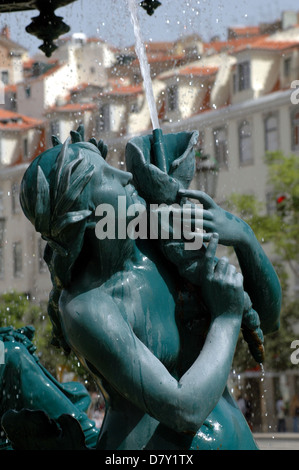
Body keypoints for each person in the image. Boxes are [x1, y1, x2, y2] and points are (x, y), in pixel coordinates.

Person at [17, 126, 281, 450]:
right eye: (106, 176)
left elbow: (268, 323)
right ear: (82, 214)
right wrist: (226, 317)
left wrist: (244, 237)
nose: (124, 176)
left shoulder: (157, 238)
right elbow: (184, 410)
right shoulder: (87, 308)